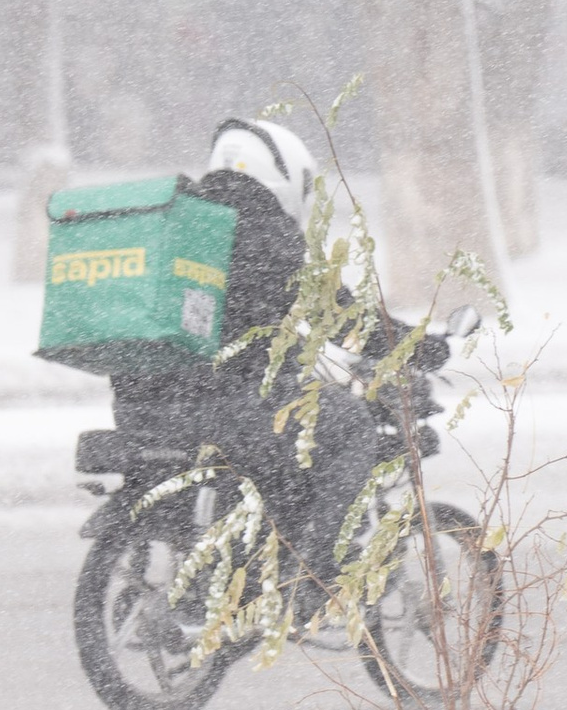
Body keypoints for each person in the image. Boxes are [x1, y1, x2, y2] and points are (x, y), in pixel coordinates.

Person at [110, 115, 387, 585]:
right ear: (283, 176)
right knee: (352, 427)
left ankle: (251, 569)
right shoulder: (259, 225)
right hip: (218, 405)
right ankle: (320, 573)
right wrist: (411, 347)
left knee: (280, 426)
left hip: (141, 405)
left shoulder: (182, 218)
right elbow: (336, 314)